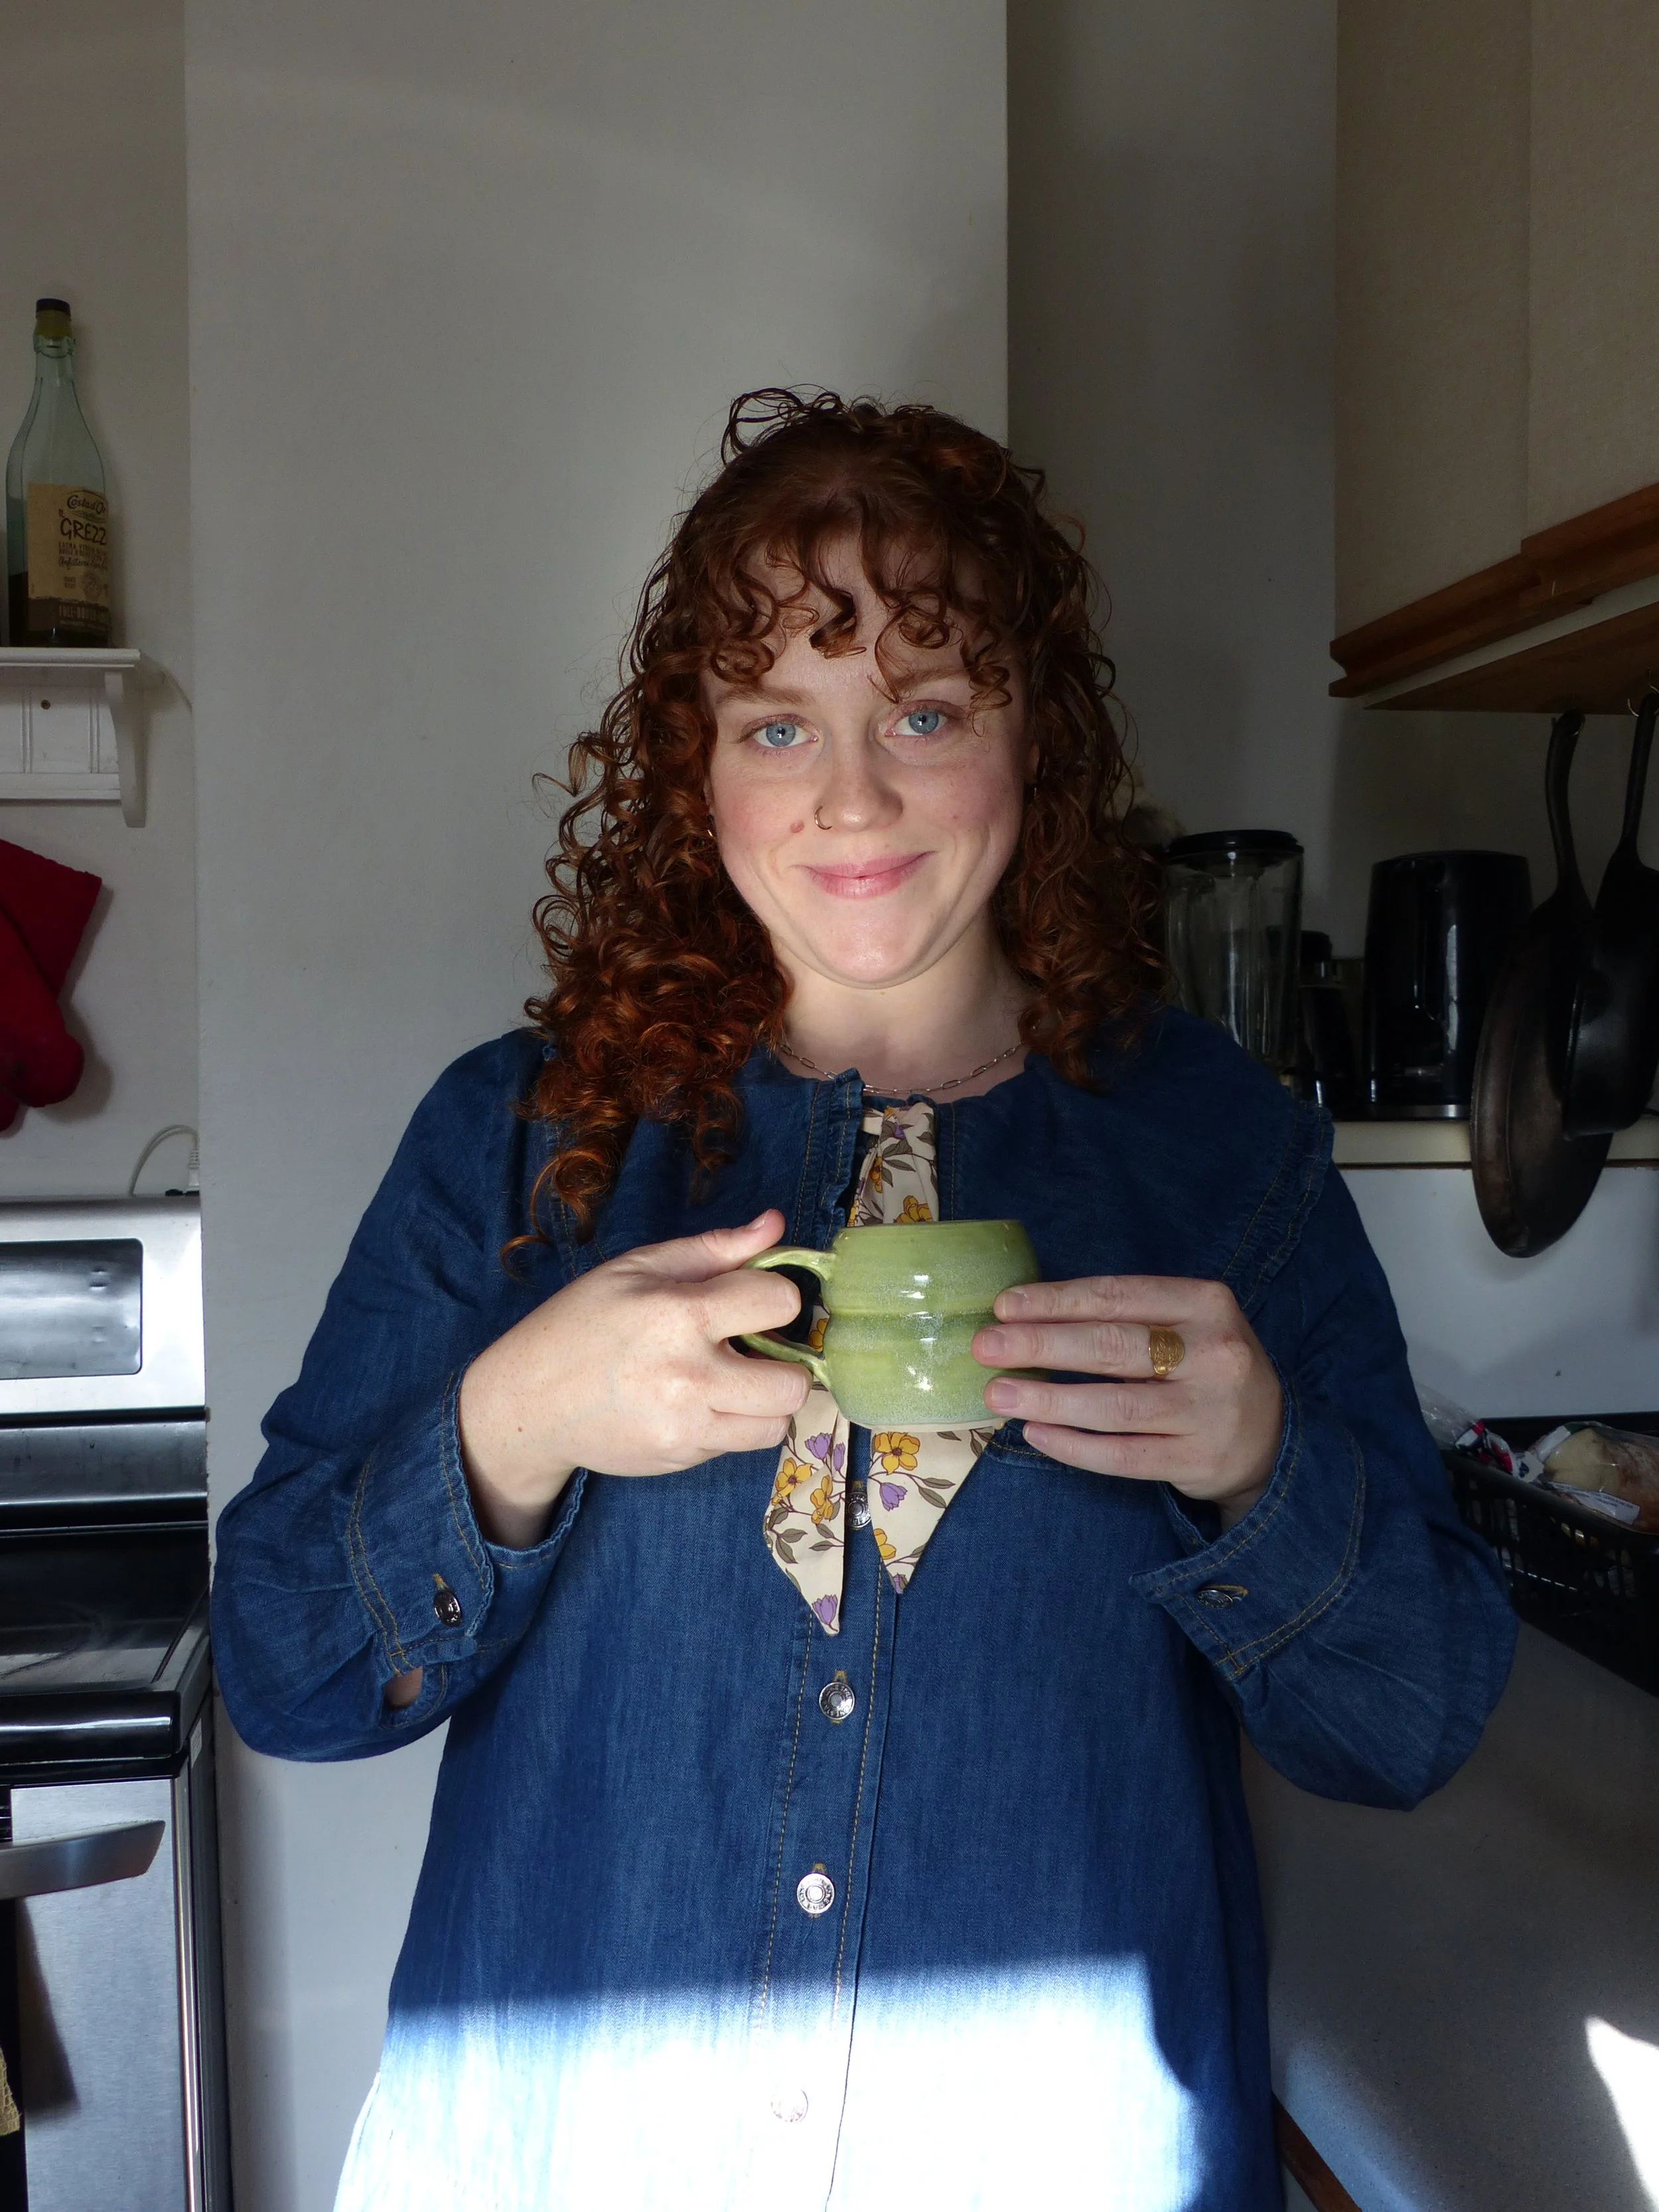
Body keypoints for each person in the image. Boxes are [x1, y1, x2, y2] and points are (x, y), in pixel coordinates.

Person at [212, 388, 1516, 2211]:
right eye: (777, 722)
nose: (851, 796)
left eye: (921, 708)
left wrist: (1261, 1461)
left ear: (1030, 741)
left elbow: (1410, 1717)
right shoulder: (521, 1145)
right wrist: (511, 1422)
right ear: (698, 769)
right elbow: (287, 1669)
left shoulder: (1223, 1161)